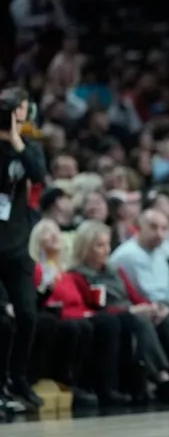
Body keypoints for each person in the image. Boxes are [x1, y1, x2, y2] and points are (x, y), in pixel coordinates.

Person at [0, 87, 46, 413]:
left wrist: (15, 140)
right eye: (11, 109)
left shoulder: (28, 147)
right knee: (1, 322)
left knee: (28, 315)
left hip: (17, 245)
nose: (17, 114)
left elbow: (38, 174)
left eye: (21, 109)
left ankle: (18, 377)